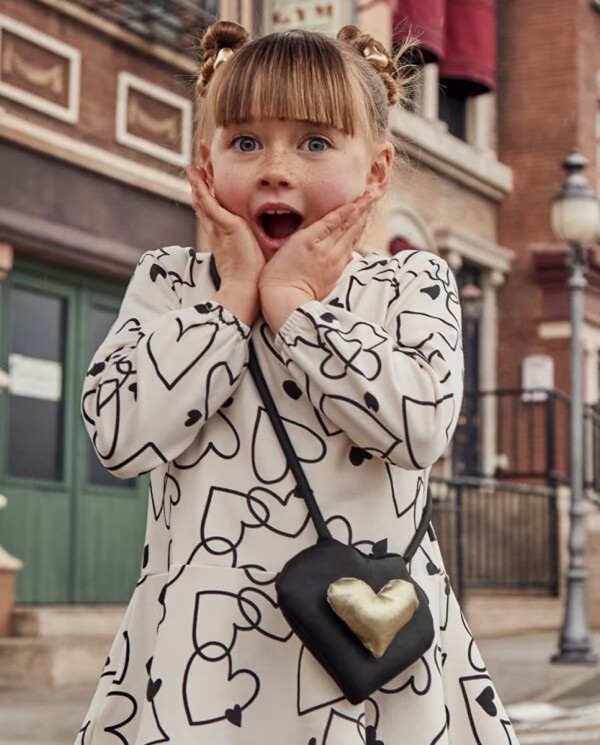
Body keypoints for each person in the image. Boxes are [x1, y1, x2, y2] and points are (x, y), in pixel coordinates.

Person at [75, 20, 519, 745]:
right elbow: (118, 436)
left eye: (314, 142)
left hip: (371, 673)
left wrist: (297, 310)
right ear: (206, 162)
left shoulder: (409, 283)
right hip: (200, 665)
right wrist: (234, 299)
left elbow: (421, 426)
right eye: (245, 142)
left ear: (376, 170)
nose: (275, 167)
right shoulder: (170, 283)